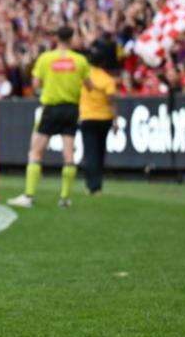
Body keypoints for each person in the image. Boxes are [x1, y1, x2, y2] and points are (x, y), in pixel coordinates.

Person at [9, 26, 95, 208]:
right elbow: (89, 86)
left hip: (51, 107)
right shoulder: (80, 60)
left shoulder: (46, 58)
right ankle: (64, 198)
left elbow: (35, 83)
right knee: (69, 154)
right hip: (71, 108)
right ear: (72, 39)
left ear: (56, 38)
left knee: (35, 151)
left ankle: (29, 195)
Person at [79, 38, 118, 196]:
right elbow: (111, 102)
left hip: (88, 117)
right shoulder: (108, 80)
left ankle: (92, 185)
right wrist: (115, 121)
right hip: (104, 118)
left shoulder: (85, 76)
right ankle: (97, 185)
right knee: (100, 152)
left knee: (90, 152)